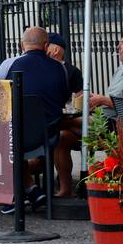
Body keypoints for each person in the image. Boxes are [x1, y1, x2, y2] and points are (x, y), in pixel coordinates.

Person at [0, 27, 71, 213]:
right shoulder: (60, 68)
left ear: (22, 45)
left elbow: (0, 97)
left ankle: (17, 194)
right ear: (46, 45)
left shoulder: (10, 65)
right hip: (49, 135)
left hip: (16, 134)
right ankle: (32, 189)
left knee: (6, 138)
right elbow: (64, 98)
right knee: (14, 138)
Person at [45, 33, 85, 198]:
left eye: (45, 45)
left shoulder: (71, 71)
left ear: (54, 49)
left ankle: (64, 188)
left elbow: (80, 97)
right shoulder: (43, 69)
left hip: (64, 118)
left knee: (62, 132)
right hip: (57, 120)